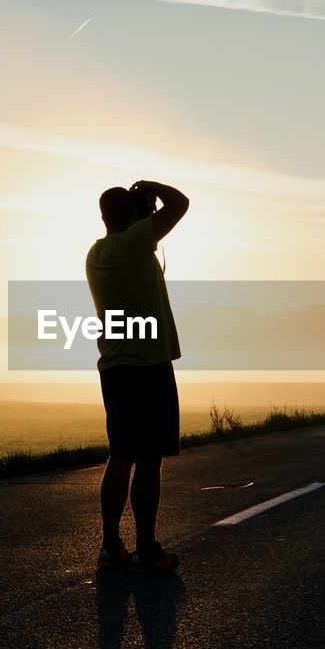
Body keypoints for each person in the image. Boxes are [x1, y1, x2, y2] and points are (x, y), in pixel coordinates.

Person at [86, 179, 189, 574]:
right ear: (131, 215)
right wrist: (153, 188)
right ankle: (147, 549)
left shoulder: (96, 254)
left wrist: (138, 209)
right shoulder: (133, 243)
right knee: (150, 459)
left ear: (102, 217)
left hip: (114, 367)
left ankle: (111, 546)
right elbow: (180, 204)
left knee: (121, 456)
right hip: (147, 365)